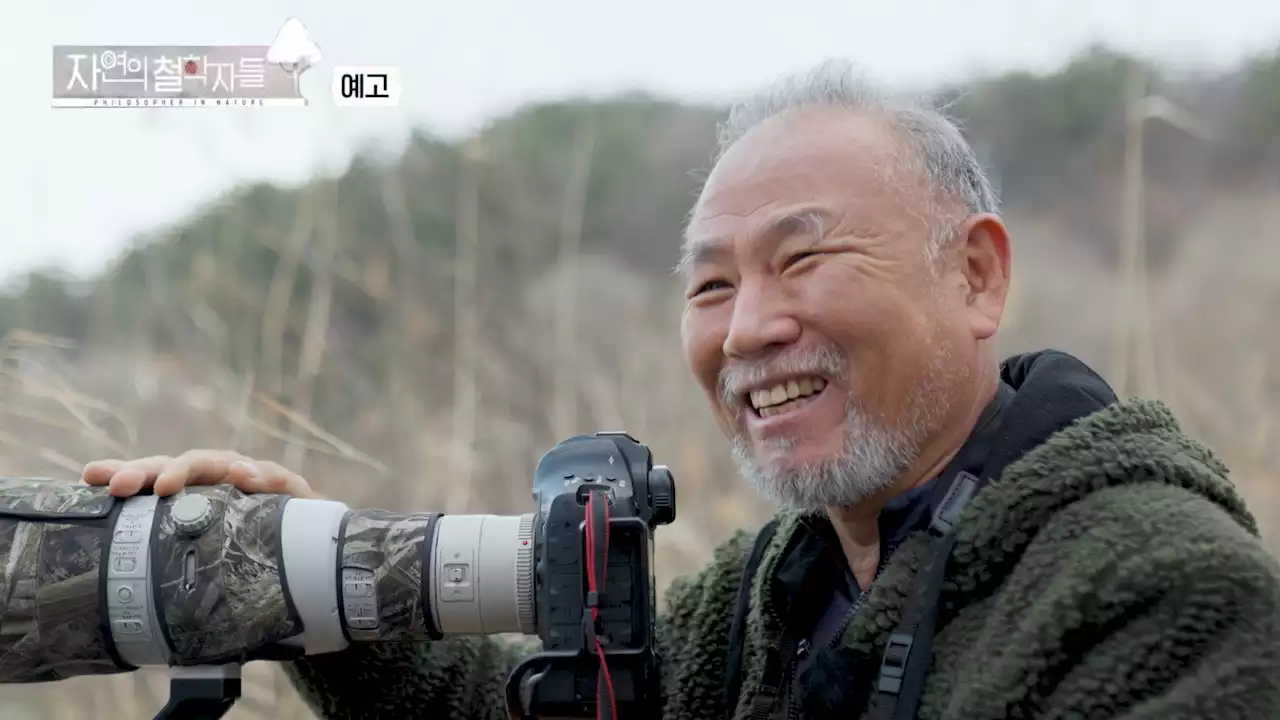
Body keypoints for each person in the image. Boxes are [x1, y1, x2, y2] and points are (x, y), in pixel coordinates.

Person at [83, 60, 1280, 719]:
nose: (751, 328)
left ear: (975, 275)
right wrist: (308, 574)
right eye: (710, 287)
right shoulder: (780, 589)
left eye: (802, 259)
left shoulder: (1158, 590)